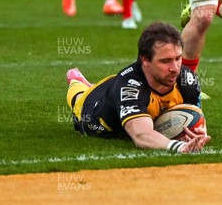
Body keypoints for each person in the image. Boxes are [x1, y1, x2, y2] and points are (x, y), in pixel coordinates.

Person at [65, 22, 210, 153]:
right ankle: (75, 79)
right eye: (165, 61)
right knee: (79, 98)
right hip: (93, 109)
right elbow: (141, 136)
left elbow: (196, 117)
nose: (175, 68)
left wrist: (197, 132)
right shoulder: (129, 89)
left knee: (116, 88)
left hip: (119, 88)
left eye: (178, 58)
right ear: (145, 59)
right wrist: (180, 147)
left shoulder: (187, 80)